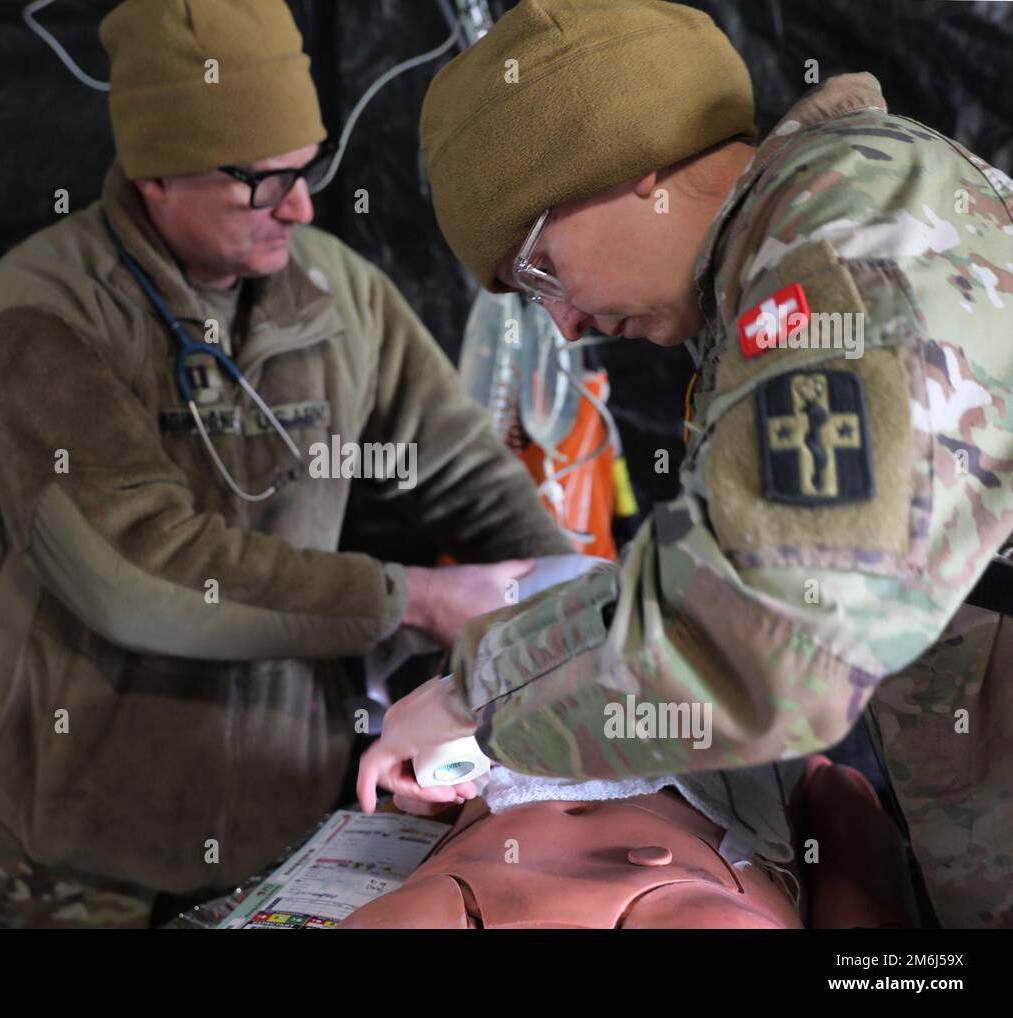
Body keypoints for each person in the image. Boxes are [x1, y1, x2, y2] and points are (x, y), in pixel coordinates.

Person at [358, 0, 1013, 929]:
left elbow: (776, 637)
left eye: (540, 268)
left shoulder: (844, 241)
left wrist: (482, 694)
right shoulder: (784, 273)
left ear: (634, 164)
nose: (567, 324)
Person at [0, 0, 574, 928]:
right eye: (262, 180)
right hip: (78, 856)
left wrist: (559, 618)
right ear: (157, 174)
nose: (302, 205)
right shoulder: (47, 314)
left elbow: (466, 477)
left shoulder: (337, 293)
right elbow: (132, 567)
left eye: (308, 171)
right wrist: (410, 600)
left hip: (281, 826)